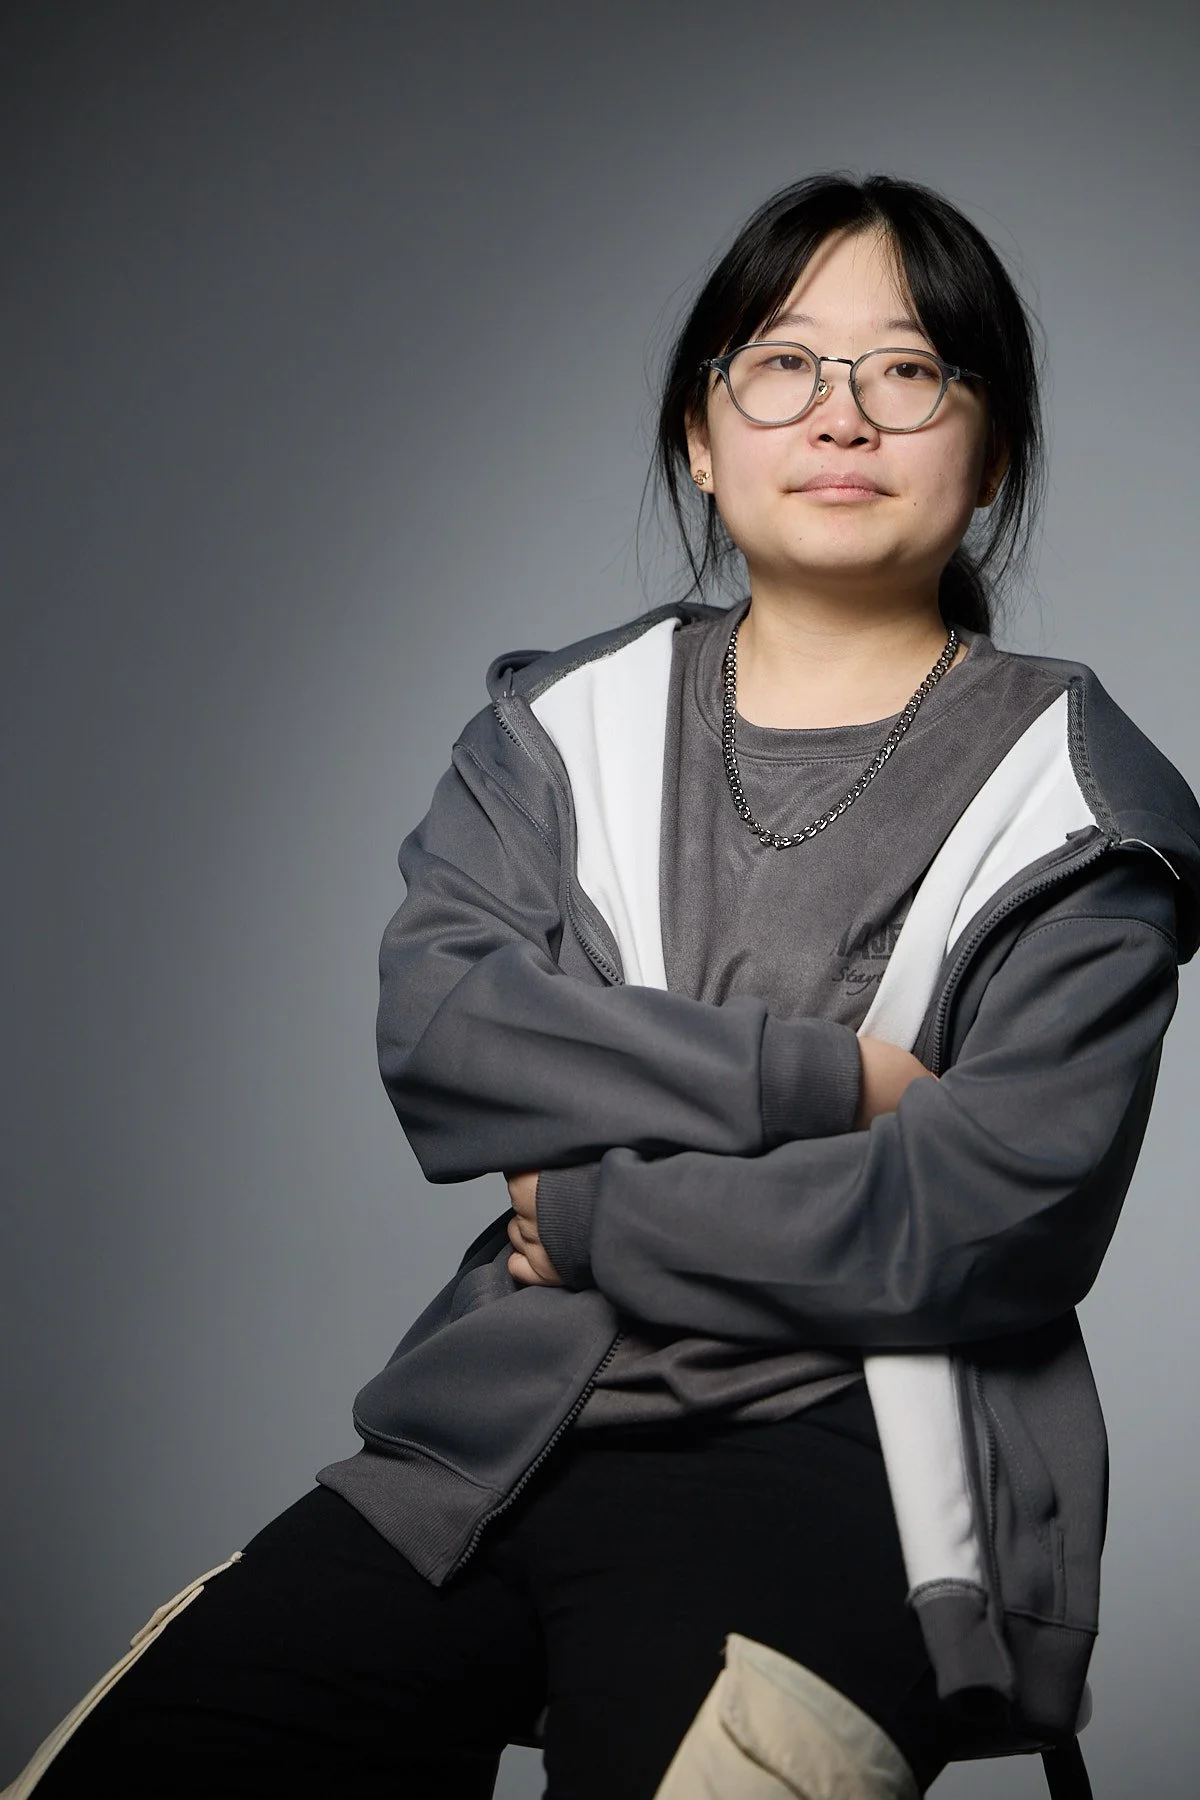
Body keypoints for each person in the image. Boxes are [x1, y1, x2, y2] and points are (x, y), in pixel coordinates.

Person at [15, 173, 1200, 1800]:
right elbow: (450, 1032)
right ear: (702, 438)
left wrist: (591, 1217)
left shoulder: (1080, 799)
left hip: (847, 1465)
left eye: (910, 370)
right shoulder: (557, 729)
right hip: (498, 1431)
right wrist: (828, 1082)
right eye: (783, 364)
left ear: (990, 454)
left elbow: (983, 1213)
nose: (842, 413)